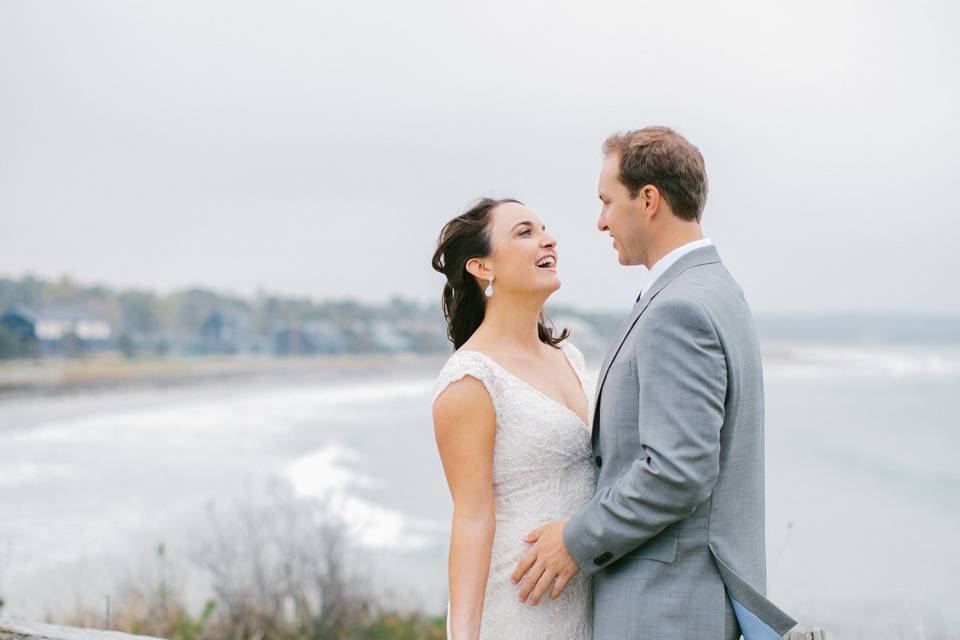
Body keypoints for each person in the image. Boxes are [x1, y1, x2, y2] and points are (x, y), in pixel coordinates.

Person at [511, 126, 797, 640]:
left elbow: (678, 471)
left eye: (606, 202)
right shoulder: (715, 288)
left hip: (670, 610)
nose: (600, 222)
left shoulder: (679, 307)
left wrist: (574, 542)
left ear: (648, 200)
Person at [430, 198, 595, 639]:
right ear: (483, 268)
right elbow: (471, 519)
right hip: (521, 607)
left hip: (589, 599)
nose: (548, 239)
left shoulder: (571, 359)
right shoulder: (471, 379)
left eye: (544, 228)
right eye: (525, 232)